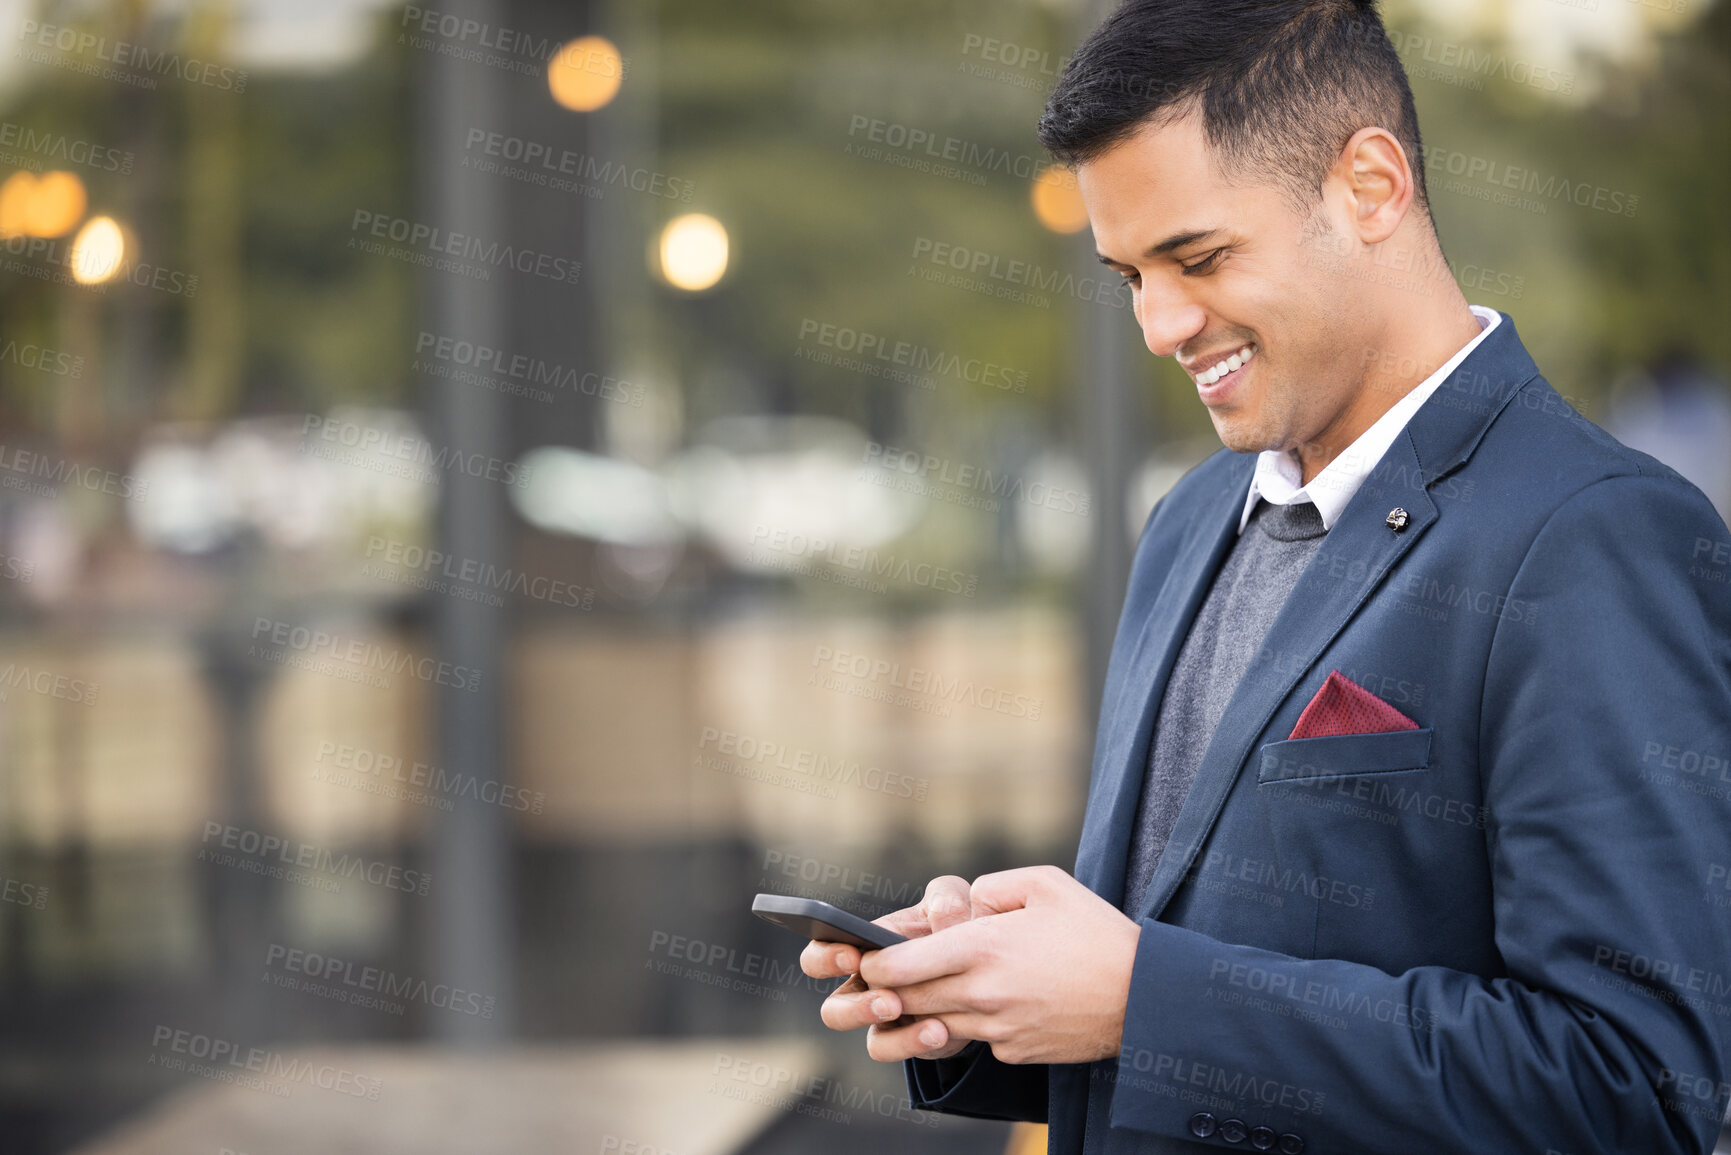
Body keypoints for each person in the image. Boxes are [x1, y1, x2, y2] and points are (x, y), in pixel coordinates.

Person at [800, 1, 1731, 1152]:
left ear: (1372, 188)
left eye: (1198, 258)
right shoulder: (1191, 521)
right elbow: (1188, 995)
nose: (1158, 324)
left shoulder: (1595, 538)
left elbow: (1638, 1092)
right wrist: (999, 994)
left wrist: (1146, 997)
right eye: (1129, 274)